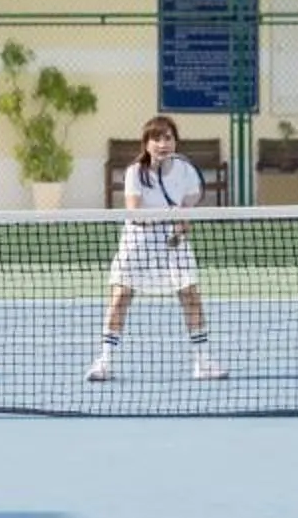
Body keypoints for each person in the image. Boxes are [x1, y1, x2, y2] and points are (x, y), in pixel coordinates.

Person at [86, 115, 222, 383]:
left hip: (172, 242)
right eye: (156, 139)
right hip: (138, 242)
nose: (163, 144)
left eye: (168, 138)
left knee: (191, 297)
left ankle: (203, 361)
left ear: (176, 141)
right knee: (120, 298)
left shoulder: (185, 170)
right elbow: (135, 213)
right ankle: (104, 362)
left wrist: (182, 220)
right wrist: (170, 215)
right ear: (146, 144)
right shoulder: (135, 172)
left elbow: (189, 200)